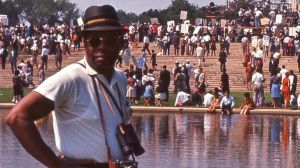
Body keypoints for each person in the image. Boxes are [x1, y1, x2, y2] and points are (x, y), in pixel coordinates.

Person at [6, 5, 133, 167]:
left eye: (109, 40)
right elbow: (17, 117)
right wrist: (55, 163)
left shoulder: (120, 78)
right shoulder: (72, 78)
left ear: (120, 43)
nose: (102, 47)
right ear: (84, 43)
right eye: (94, 40)